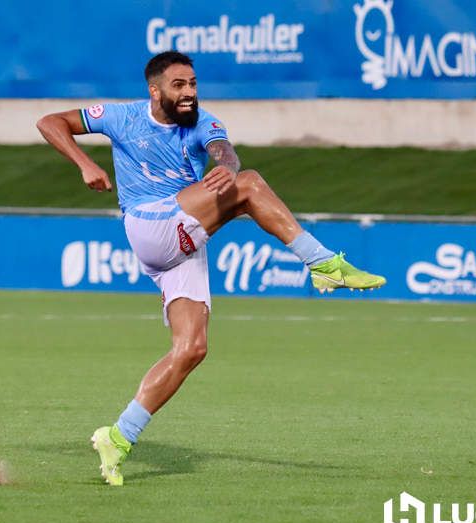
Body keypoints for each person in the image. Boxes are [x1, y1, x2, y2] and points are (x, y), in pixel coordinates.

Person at [36, 51, 386, 486]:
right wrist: (86, 163)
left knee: (192, 349)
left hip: (182, 238)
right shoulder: (120, 116)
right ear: (156, 89)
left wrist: (226, 169)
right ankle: (323, 263)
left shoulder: (203, 121)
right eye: (179, 85)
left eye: (193, 84)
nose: (189, 93)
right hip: (149, 222)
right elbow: (50, 122)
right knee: (252, 186)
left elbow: (226, 154)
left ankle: (118, 437)